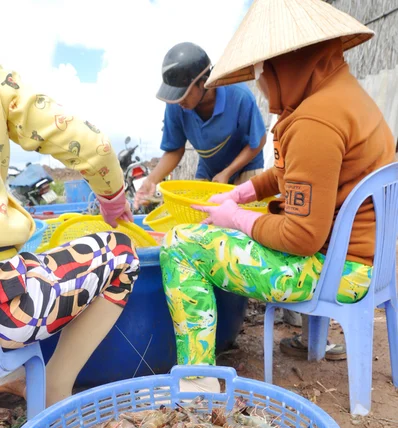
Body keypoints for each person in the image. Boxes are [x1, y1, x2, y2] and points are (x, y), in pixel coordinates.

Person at [159, 0, 395, 393]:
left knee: (181, 245)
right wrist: (241, 193)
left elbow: (302, 238)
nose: (260, 83)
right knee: (233, 225)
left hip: (338, 273)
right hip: (370, 262)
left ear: (288, 63)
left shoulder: (315, 121)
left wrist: (235, 217)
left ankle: (199, 381)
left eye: (262, 71)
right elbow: (291, 172)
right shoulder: (343, 97)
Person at [0, 65, 139, 407]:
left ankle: (11, 376)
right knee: (123, 252)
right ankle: (53, 388)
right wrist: (112, 199)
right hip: (8, 311)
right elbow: (93, 145)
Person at [135, 42, 266, 206]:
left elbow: (259, 140)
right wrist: (151, 180)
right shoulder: (176, 103)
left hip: (246, 165)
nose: (179, 100)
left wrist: (228, 172)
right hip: (209, 168)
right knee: (202, 221)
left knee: (243, 220)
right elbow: (175, 149)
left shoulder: (239, 96)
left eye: (184, 93)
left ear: (204, 82)